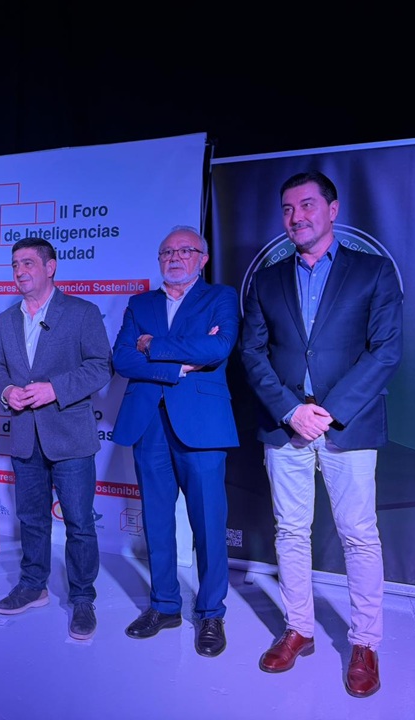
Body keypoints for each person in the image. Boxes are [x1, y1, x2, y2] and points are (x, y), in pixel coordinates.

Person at [240, 171, 403, 698]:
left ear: (332, 210)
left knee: (359, 535)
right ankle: (299, 629)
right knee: (290, 531)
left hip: (347, 425)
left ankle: (365, 643)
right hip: (284, 426)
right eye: (288, 208)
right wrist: (291, 410)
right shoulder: (267, 279)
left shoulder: (373, 271)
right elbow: (253, 352)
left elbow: (386, 350)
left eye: (307, 205)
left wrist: (327, 413)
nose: (297, 216)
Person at [111, 225, 239, 657]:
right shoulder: (140, 303)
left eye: (185, 250)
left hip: (202, 425)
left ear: (203, 259)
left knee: (209, 523)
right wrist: (178, 365)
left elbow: (217, 348)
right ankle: (164, 605)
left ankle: (211, 613)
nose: (175, 257)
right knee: (157, 520)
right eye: (167, 251)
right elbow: (123, 358)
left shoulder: (220, 297)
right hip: (149, 424)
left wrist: (154, 344)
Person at [0, 237, 112, 640]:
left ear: (50, 267)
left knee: (79, 522)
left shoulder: (81, 312)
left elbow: (100, 367)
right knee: (31, 519)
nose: (20, 271)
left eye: (28, 263)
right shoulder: (6, 320)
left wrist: (54, 389)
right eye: (15, 264)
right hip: (25, 436)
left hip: (70, 437)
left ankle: (82, 597)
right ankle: (32, 585)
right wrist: (6, 390)